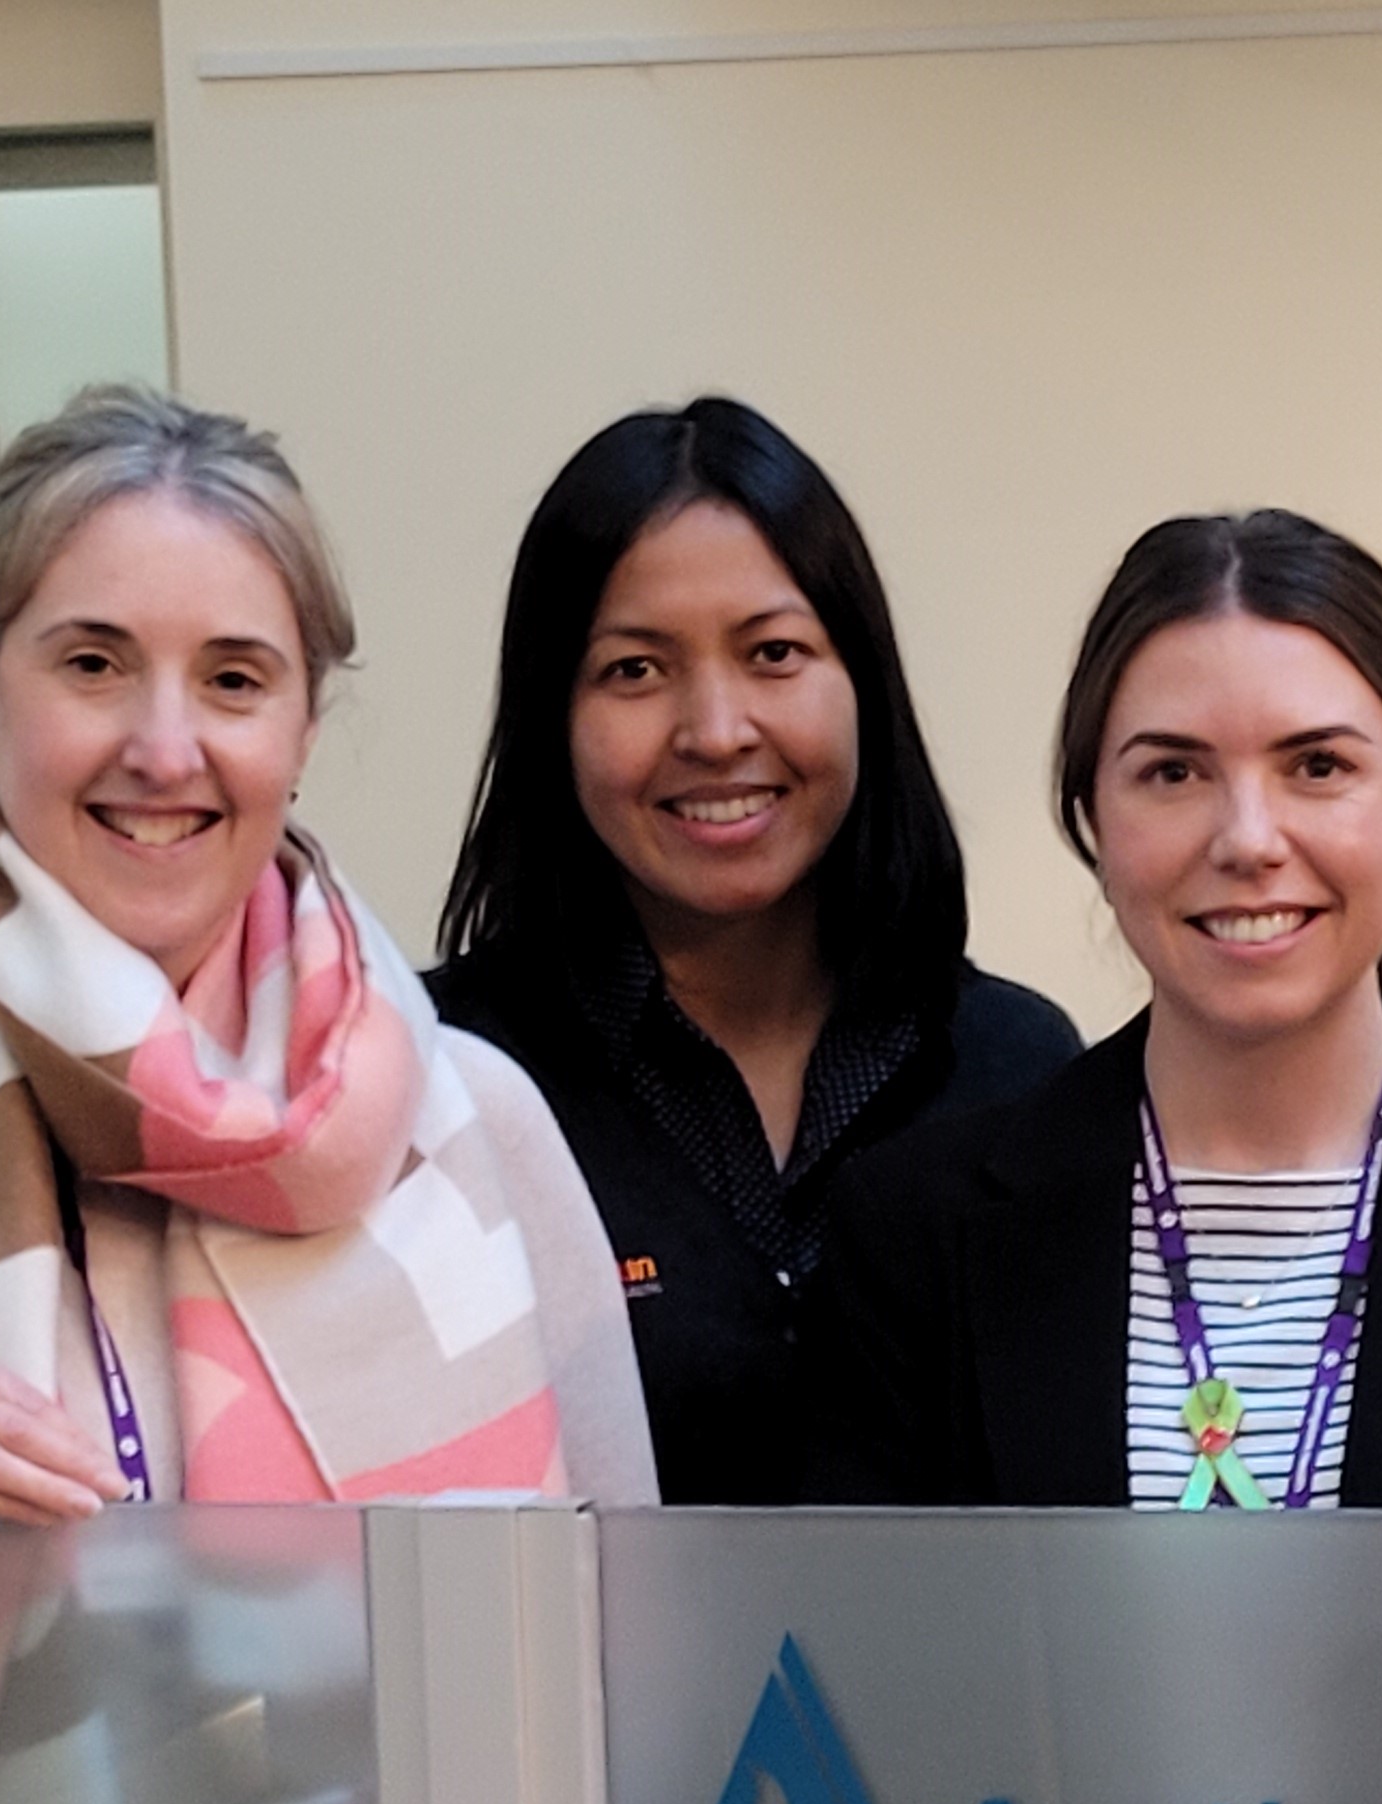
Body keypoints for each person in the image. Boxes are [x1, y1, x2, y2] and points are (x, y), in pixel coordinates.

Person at [804, 509, 1382, 1508]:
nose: (1247, 838)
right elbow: (879, 1646)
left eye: (1318, 766)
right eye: (1173, 772)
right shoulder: (910, 1230)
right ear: (1091, 823)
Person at [0, 385, 653, 1519]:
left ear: (303, 728)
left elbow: (616, 1637)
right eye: (93, 664)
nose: (164, 747)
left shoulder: (478, 1129)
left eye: (233, 679)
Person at [430, 398, 1079, 1506]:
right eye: (635, 669)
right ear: (553, 713)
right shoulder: (441, 1082)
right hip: (568, 1685)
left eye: (775, 652)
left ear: (862, 681)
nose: (717, 728)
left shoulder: (1016, 1069)